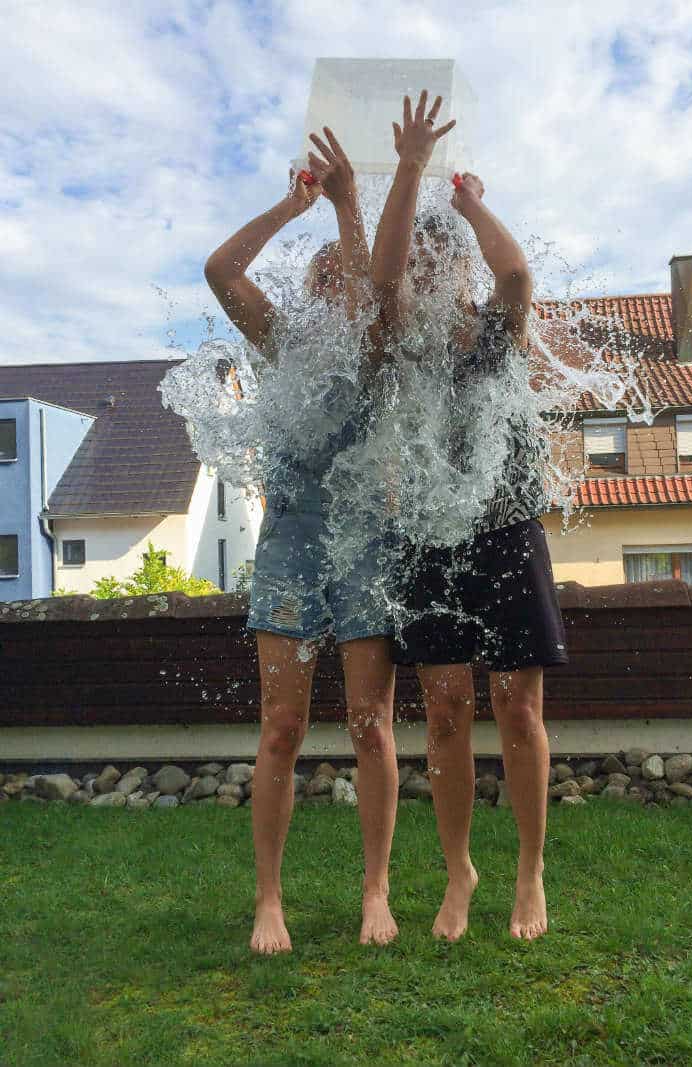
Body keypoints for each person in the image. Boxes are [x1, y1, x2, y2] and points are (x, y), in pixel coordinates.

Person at [370, 91, 568, 943]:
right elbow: (377, 278)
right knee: (446, 710)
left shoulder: (498, 335)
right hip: (429, 538)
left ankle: (529, 873)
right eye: (421, 265)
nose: (426, 275)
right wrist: (408, 175)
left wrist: (466, 200)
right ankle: (460, 872)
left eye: (442, 263)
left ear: (461, 273)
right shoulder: (401, 346)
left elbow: (518, 275)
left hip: (506, 530)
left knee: (518, 707)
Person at [204, 129, 400, 953]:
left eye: (341, 274)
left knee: (368, 724)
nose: (333, 284)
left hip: (367, 543)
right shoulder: (283, 345)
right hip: (289, 544)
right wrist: (295, 206)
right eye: (321, 276)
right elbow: (220, 272)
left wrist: (352, 206)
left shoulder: (379, 349)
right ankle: (269, 900)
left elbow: (378, 294)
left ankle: (377, 892)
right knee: (282, 726)